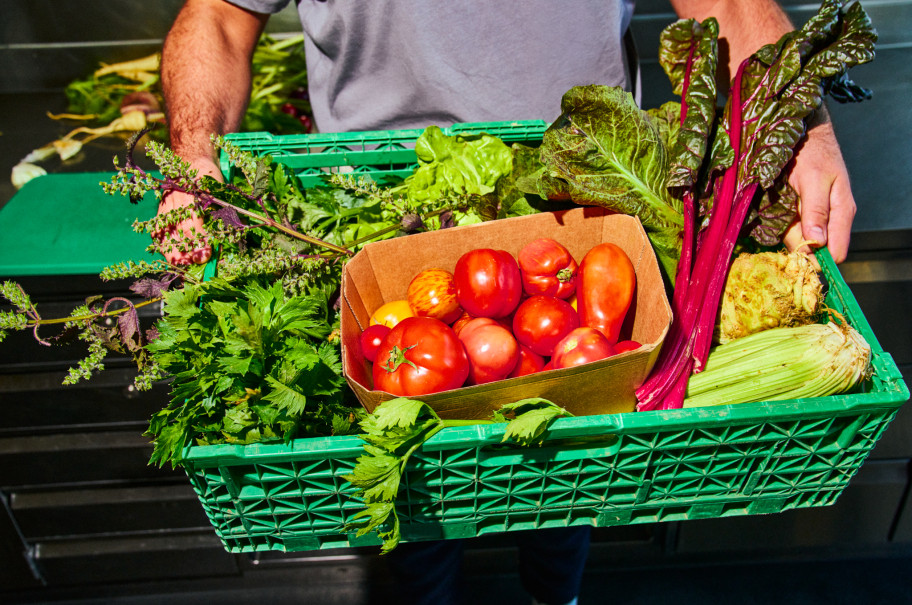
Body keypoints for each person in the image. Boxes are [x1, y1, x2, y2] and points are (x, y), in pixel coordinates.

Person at [156, 2, 859, 603]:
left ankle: (554, 591)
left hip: (580, 191)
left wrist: (809, 128)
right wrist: (193, 153)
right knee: (414, 489)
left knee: (569, 467)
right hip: (383, 203)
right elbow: (217, 15)